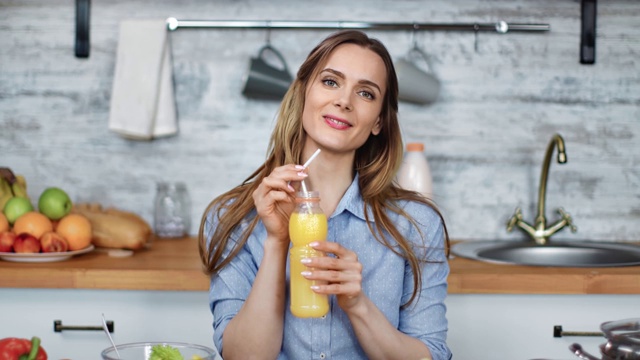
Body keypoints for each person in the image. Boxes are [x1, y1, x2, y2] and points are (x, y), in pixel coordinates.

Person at [199, 30, 451, 360]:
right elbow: (242, 357)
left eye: (365, 93)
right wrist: (277, 242)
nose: (344, 101)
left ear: (378, 122)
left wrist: (357, 305)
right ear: (303, 92)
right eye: (331, 82)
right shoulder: (233, 217)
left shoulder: (417, 224)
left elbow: (430, 355)